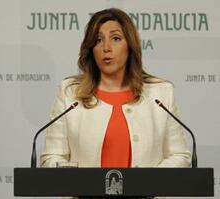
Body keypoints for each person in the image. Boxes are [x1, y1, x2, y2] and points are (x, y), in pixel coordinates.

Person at [40, 8, 191, 173]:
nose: (106, 47)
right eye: (98, 40)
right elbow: (51, 158)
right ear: (91, 48)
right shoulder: (69, 93)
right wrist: (79, 180)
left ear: (130, 45)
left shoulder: (161, 93)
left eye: (116, 38)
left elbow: (179, 156)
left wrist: (149, 181)